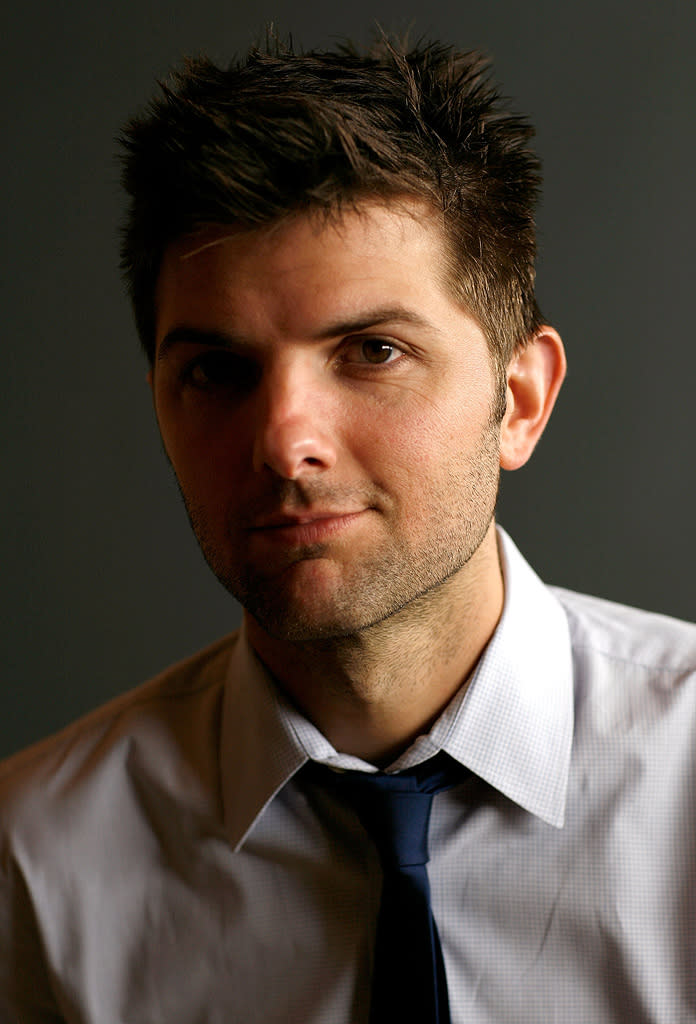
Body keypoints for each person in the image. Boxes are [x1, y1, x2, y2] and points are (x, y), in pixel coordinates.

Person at [1, 33, 694, 1024]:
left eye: (372, 351)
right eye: (216, 371)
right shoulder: (30, 863)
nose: (284, 445)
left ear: (521, 399)